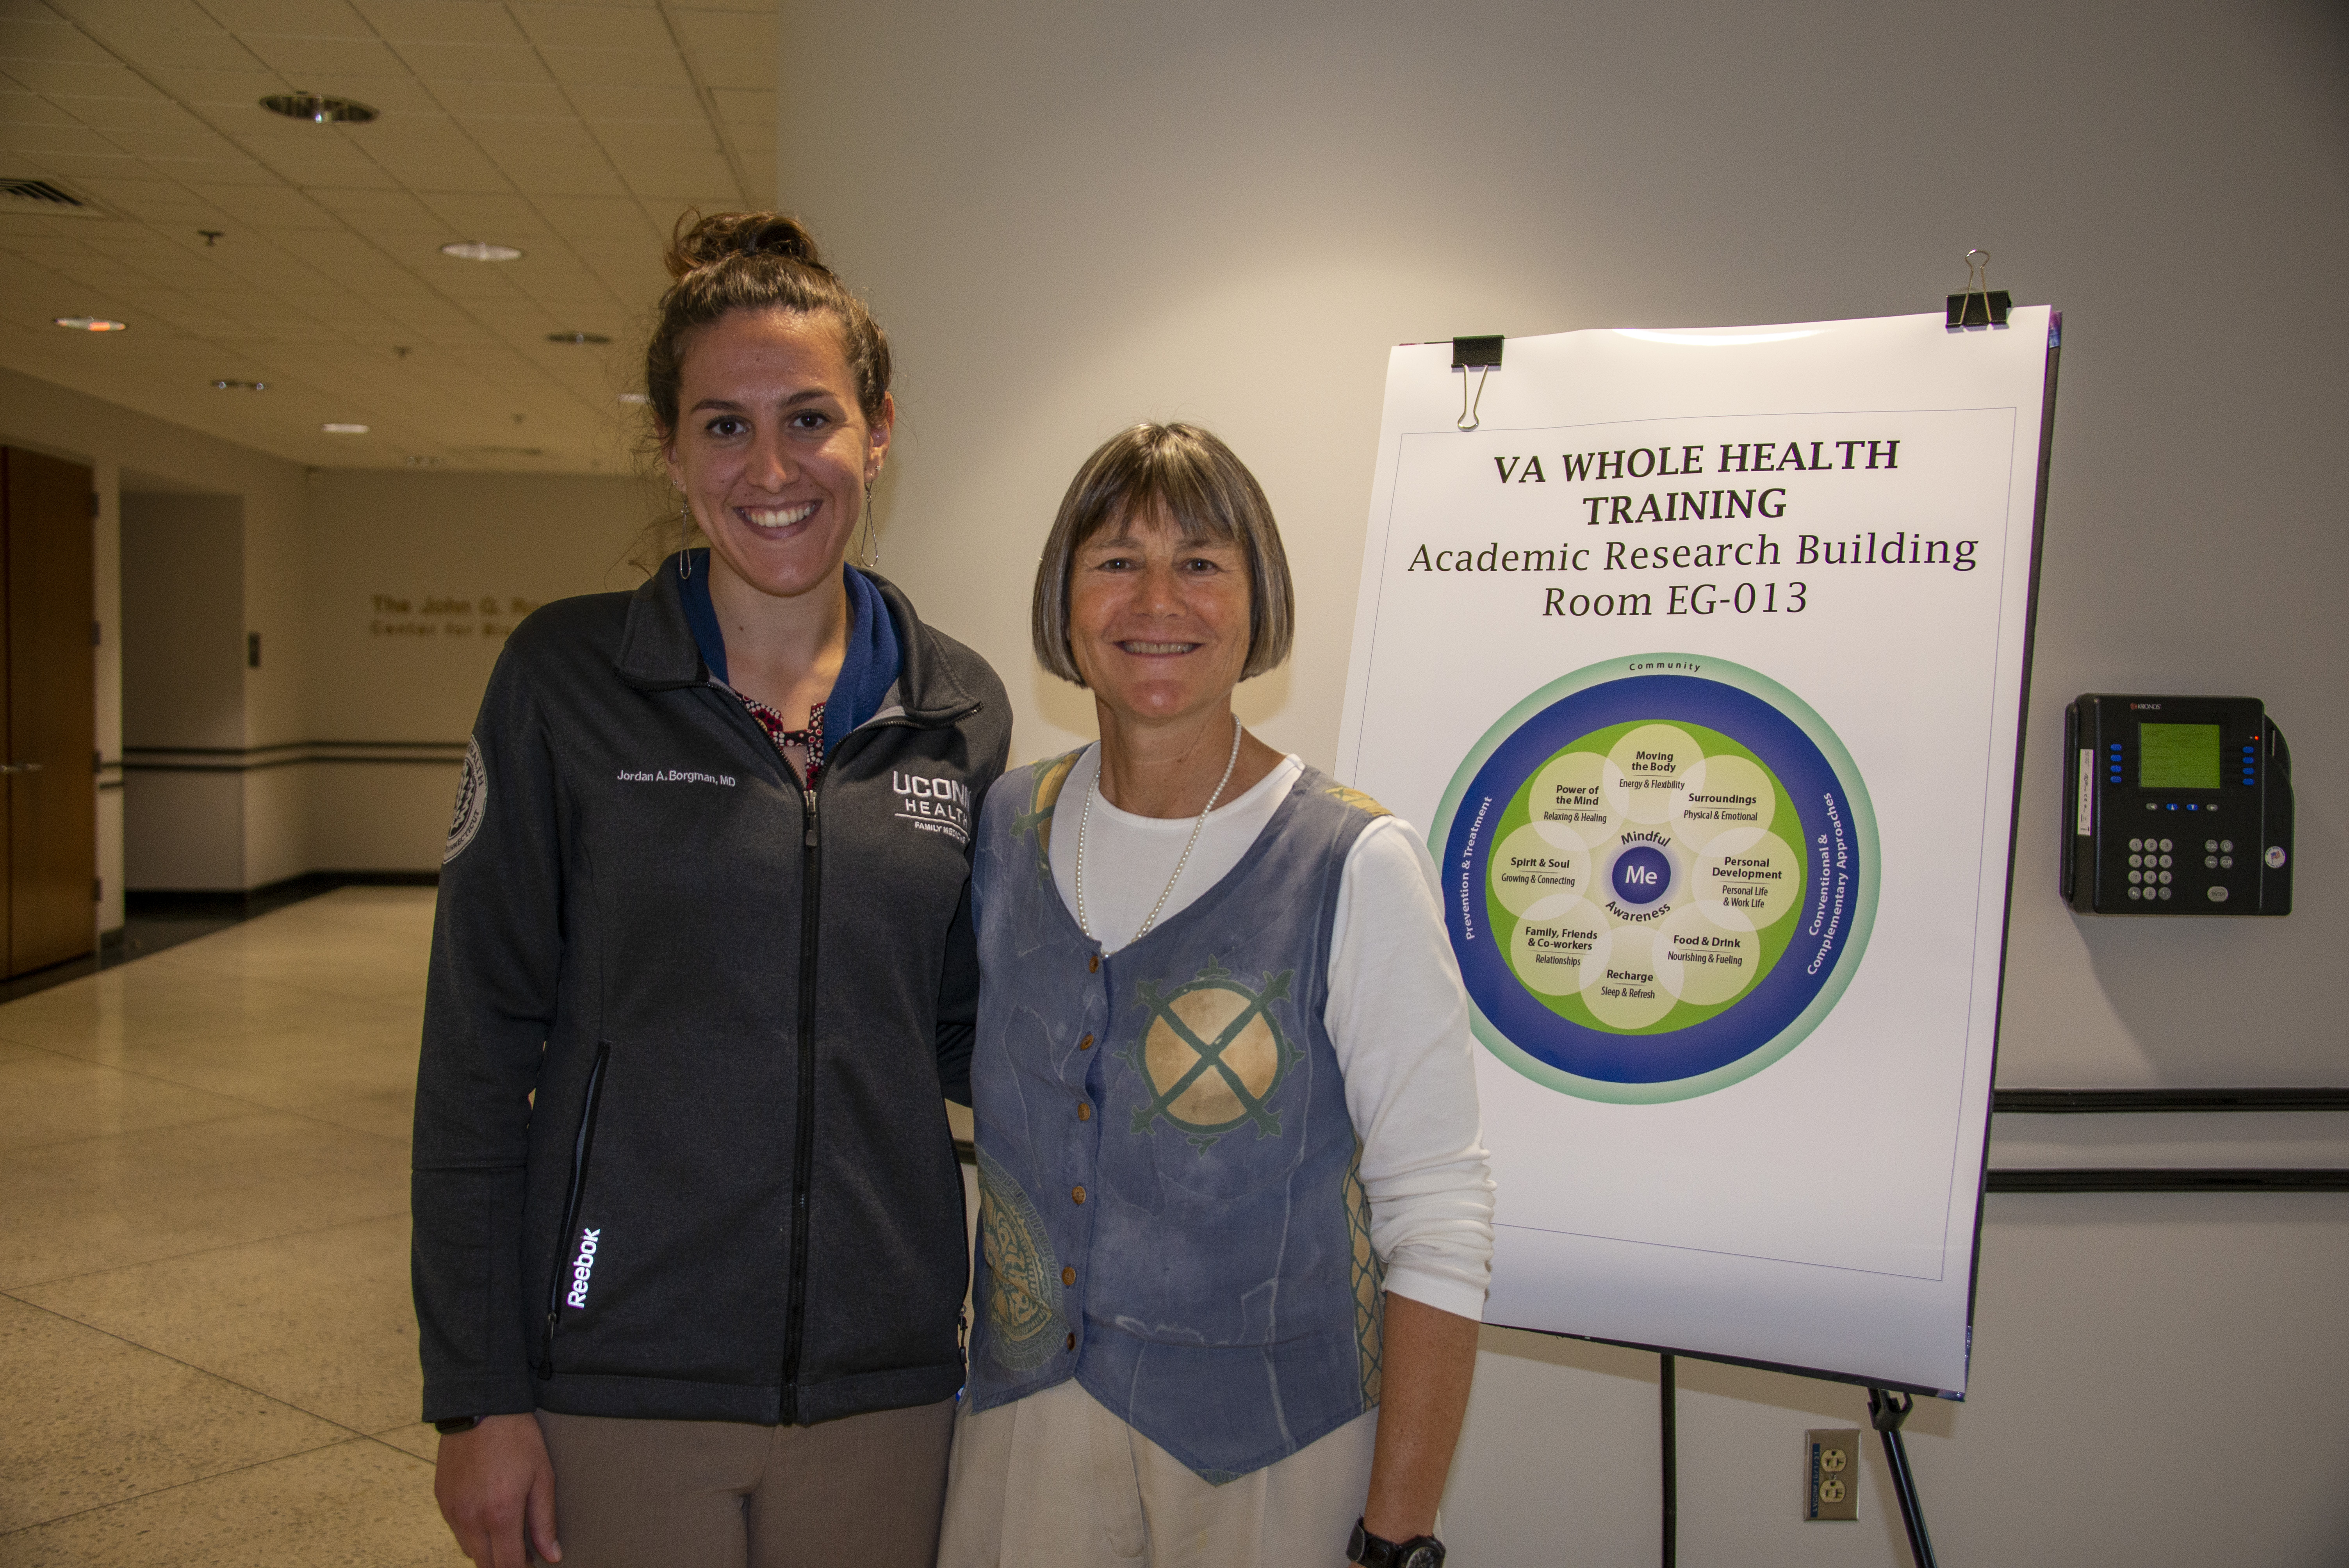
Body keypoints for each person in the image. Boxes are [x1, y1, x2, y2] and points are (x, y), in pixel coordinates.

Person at [412, 210, 1010, 1568]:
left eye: (810, 417)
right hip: (618, 1373)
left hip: (889, 1381)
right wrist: (477, 1395)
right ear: (673, 451)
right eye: (724, 427)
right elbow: (471, 1059)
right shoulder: (567, 683)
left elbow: (971, 1029)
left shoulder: (955, 705)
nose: (773, 468)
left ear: (879, 430)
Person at [942, 423, 1495, 1568]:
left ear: (1258, 601)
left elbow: (1439, 1213)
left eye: (1200, 562)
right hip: (1027, 1429)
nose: (1158, 600)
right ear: (1065, 599)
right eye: (1114, 562)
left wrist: (1399, 1531)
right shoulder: (1003, 826)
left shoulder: (1354, 859)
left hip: (1270, 1459)